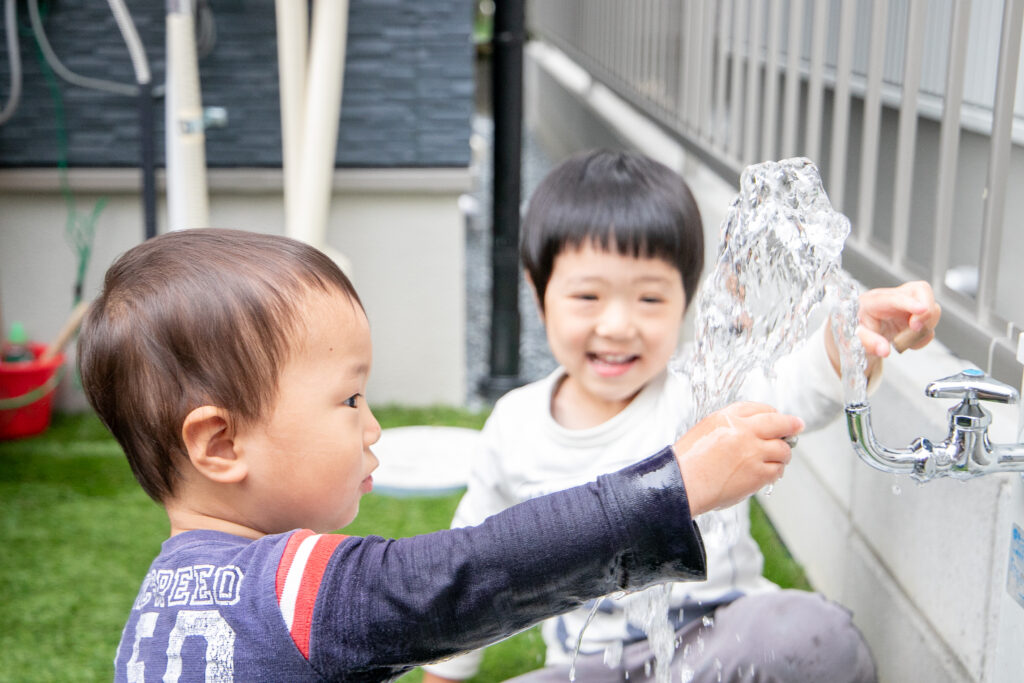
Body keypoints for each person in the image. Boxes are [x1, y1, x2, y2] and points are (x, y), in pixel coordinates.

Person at [79, 228, 805, 682]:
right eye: (349, 399)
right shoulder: (292, 589)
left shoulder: (154, 612)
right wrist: (673, 486)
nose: (373, 427)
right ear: (220, 444)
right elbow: (481, 570)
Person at [422, 150, 941, 683]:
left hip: (719, 643)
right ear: (539, 294)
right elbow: (474, 574)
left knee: (817, 637)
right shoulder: (515, 427)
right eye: (588, 296)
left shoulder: (705, 388)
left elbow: (798, 389)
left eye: (649, 299)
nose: (618, 325)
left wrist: (849, 340)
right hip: (593, 666)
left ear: (687, 300)